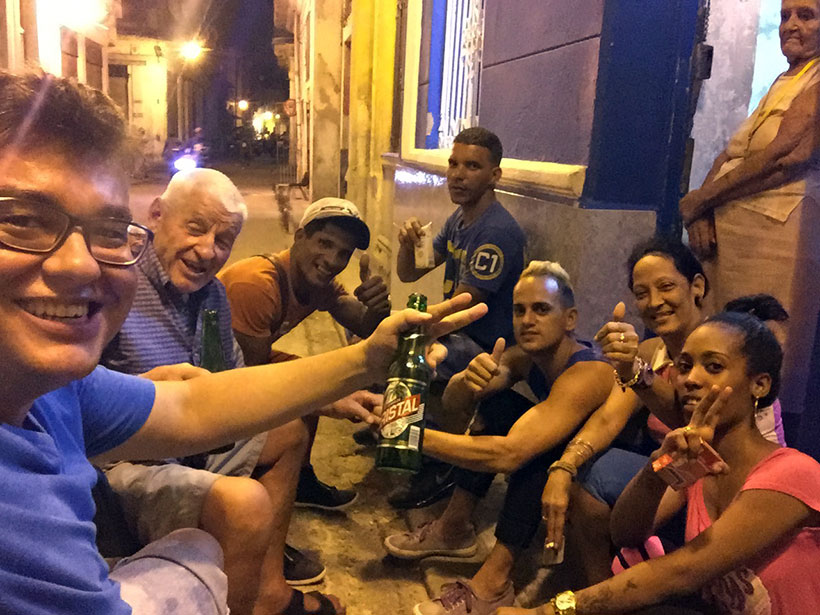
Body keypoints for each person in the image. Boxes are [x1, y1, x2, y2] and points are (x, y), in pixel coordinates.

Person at [0, 70, 487, 615]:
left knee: (283, 434)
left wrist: (368, 358)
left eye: (110, 232)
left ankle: (266, 585)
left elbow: (194, 401)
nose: (78, 264)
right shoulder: (250, 286)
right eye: (22, 221)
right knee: (219, 532)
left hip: (165, 449)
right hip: (131, 472)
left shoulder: (56, 387)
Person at [101, 169, 368, 615]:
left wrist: (334, 395)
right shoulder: (118, 284)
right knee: (244, 505)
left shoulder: (212, 296)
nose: (207, 250)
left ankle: (267, 588)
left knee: (288, 430)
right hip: (124, 456)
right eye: (195, 227)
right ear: (156, 214)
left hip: (192, 442)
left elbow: (239, 384)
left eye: (223, 240)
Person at [499, 312, 820, 615]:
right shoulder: (702, 462)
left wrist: (550, 610)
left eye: (713, 366)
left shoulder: (792, 473)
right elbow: (625, 532)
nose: (690, 379)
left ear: (759, 384)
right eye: (684, 365)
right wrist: (658, 468)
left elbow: (683, 571)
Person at [540, 238, 787, 587]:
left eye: (666, 286)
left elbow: (707, 435)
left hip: (730, 482)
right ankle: (598, 594)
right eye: (642, 293)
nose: (654, 302)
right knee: (593, 476)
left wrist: (637, 373)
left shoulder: (732, 350)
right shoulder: (652, 351)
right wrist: (564, 467)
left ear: (697, 286)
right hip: (684, 467)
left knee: (606, 477)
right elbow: (610, 418)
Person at [386, 262, 614, 615]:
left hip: (611, 475)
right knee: (503, 404)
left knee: (538, 451)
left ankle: (494, 583)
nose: (527, 320)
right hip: (573, 463)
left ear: (570, 319)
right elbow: (454, 408)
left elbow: (508, 455)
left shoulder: (588, 371)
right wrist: (466, 382)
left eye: (541, 309)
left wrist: (407, 437)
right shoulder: (525, 357)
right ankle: (453, 528)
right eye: (519, 310)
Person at [679, 0, 820, 419]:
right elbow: (731, 153)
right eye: (784, 16)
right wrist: (700, 211)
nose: (791, 26)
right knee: (721, 352)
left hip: (777, 240)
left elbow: (785, 156)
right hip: (733, 243)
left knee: (760, 358)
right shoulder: (783, 79)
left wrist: (701, 200)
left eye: (807, 16)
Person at [218, 197, 391, 509]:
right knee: (304, 391)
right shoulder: (257, 284)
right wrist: (326, 398)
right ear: (299, 237)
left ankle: (300, 478)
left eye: (343, 253)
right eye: (324, 243)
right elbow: (247, 378)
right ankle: (257, 489)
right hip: (206, 378)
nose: (332, 259)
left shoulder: (318, 284)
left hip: (244, 363)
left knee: (313, 377)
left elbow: (363, 325)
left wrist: (378, 308)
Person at [395, 126, 526, 509]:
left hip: (488, 344)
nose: (458, 174)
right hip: (461, 331)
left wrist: (420, 330)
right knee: (394, 340)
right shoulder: (458, 220)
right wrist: (407, 245)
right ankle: (403, 429)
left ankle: (438, 466)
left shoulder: (497, 231)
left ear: (494, 175)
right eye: (453, 164)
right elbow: (410, 272)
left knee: (418, 353)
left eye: (472, 166)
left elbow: (469, 304)